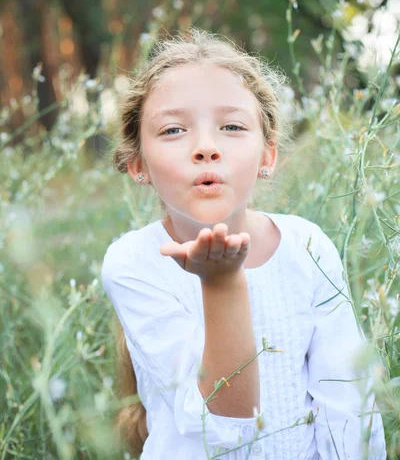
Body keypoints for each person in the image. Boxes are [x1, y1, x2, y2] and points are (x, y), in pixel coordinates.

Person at [101, 28, 387, 460]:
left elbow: (348, 405)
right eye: (174, 129)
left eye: (232, 126)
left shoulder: (308, 246)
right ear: (137, 163)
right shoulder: (133, 263)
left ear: (267, 155)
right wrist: (222, 283)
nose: (205, 147)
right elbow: (228, 424)